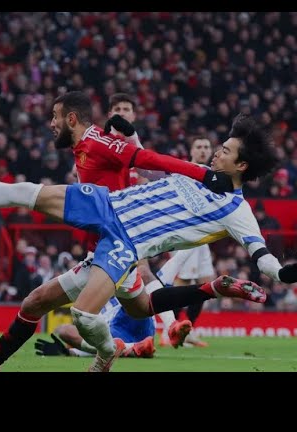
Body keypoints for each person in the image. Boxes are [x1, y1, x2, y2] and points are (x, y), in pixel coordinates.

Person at [0, 97, 294, 373]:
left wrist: (284, 274)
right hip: (107, 205)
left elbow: (264, 259)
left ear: (241, 164)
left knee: (79, 314)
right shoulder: (195, 171)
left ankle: (106, 352)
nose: (215, 155)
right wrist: (132, 134)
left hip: (126, 246)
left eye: (225, 151)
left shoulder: (238, 211)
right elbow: (150, 163)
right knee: (26, 193)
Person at [40, 134, 216, 357]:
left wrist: (72, 351)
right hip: (134, 321)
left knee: (72, 326)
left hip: (125, 237)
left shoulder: (130, 164)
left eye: (126, 109)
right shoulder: (111, 161)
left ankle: (159, 334)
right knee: (151, 278)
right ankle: (152, 338)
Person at [156, 137, 215, 347]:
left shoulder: (212, 175)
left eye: (206, 146)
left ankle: (189, 329)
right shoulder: (185, 172)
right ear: (191, 150)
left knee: (206, 282)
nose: (202, 150)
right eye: (198, 146)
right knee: (182, 283)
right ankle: (167, 330)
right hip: (186, 235)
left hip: (204, 237)